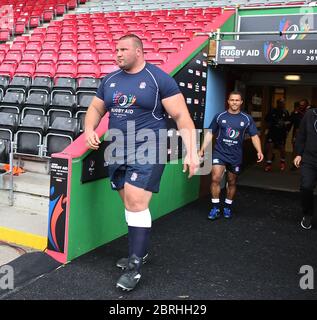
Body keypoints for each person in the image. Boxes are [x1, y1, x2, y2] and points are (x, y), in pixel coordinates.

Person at [84, 34, 199, 291]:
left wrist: (192, 153)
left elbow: (182, 116)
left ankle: (135, 266)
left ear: (138, 51)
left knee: (136, 202)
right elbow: (95, 108)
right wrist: (89, 128)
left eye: (123, 49)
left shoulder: (159, 79)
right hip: (117, 149)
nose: (118, 53)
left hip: (149, 148)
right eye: (116, 49)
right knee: (129, 203)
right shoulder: (110, 80)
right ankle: (140, 250)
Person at [199, 91, 264, 220]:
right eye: (232, 100)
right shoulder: (220, 116)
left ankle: (227, 206)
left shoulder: (246, 119)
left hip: (235, 156)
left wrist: (259, 151)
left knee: (232, 181)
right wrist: (201, 150)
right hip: (220, 153)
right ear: (228, 101)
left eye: (237, 100)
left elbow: (254, 136)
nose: (234, 102)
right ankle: (215, 208)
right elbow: (210, 133)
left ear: (241, 102)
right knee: (216, 178)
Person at [293, 108, 317, 230]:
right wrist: (298, 154)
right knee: (306, 187)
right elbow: (301, 134)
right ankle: (307, 214)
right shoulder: (310, 114)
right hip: (310, 159)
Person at [264, 98, 290, 172]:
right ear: (278, 103)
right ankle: (268, 165)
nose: (283, 104)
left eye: (284, 103)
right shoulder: (272, 111)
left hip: (281, 134)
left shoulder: (286, 112)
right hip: (272, 133)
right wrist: (269, 127)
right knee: (270, 147)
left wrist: (285, 125)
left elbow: (288, 122)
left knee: (282, 149)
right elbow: (266, 120)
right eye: (281, 103)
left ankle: (282, 162)